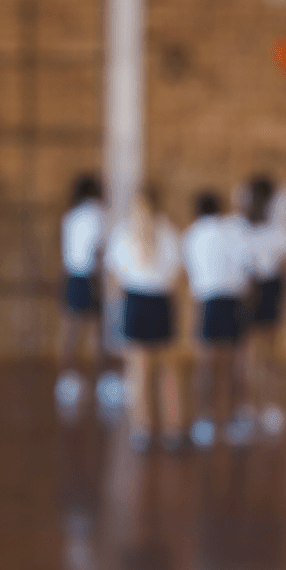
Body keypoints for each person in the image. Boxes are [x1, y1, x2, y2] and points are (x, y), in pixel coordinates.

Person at [104, 184, 185, 453]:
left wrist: (117, 310)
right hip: (160, 302)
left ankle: (142, 430)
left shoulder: (123, 233)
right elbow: (175, 279)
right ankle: (173, 429)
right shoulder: (170, 233)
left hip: (135, 302)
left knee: (137, 371)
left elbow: (115, 278)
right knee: (168, 372)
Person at [183, 191, 255, 449]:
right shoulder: (233, 231)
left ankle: (205, 420)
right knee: (235, 363)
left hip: (207, 301)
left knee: (206, 363)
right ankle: (236, 418)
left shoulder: (193, 234)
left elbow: (192, 274)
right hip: (234, 300)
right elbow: (248, 267)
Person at [240, 175, 286, 437]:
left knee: (256, 353)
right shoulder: (277, 229)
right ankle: (261, 406)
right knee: (266, 352)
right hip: (266, 286)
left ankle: (258, 406)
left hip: (256, 286)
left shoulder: (255, 227)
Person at [55, 174, 106, 407]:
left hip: (71, 275)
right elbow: (99, 250)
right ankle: (98, 382)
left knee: (70, 330)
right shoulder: (99, 215)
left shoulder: (70, 216)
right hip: (92, 277)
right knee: (96, 331)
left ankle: (67, 381)